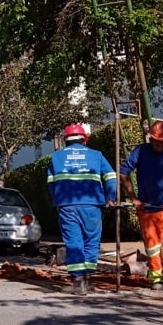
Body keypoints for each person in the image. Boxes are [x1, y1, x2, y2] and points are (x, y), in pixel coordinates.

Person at [47, 123, 117, 295]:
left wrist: (58, 200)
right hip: (92, 205)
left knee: (74, 241)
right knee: (92, 241)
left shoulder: (56, 157)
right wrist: (110, 197)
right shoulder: (96, 155)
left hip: (67, 205)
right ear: (85, 139)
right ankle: (87, 279)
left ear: (65, 140)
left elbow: (51, 184)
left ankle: (78, 282)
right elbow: (111, 177)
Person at [119, 120, 163, 292]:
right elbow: (124, 172)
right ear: (150, 139)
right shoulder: (141, 151)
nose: (159, 147)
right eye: (156, 143)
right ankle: (157, 278)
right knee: (152, 247)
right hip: (148, 210)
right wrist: (134, 198)